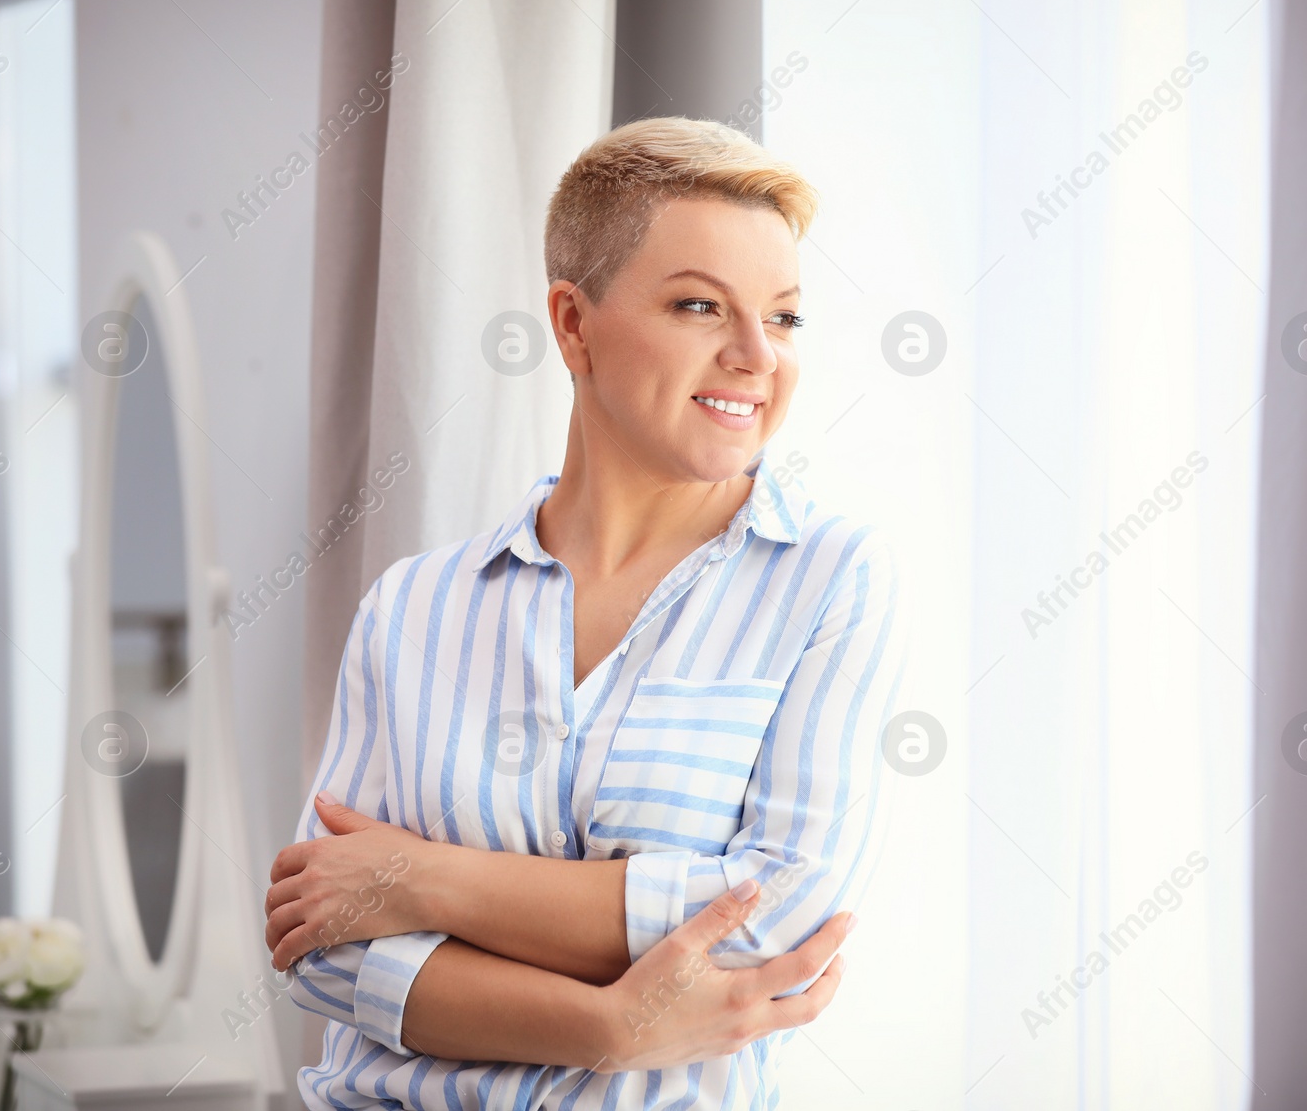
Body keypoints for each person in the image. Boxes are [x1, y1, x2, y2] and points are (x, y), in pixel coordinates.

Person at [263, 115, 909, 1109]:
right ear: (571, 323)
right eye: (701, 306)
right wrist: (607, 1029)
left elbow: (774, 920)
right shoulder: (414, 607)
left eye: (783, 318)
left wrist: (418, 881)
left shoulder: (828, 580)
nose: (755, 356)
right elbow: (319, 946)